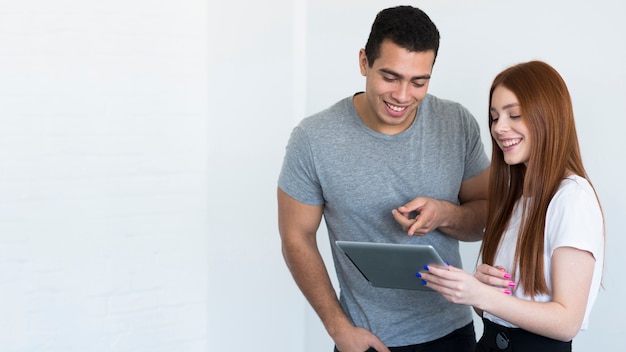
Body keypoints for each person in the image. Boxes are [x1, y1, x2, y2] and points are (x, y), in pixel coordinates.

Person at [277, 6, 490, 352]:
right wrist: (338, 328)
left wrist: (445, 214)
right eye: (390, 77)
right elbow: (295, 236)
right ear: (364, 62)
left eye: (418, 82)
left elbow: (485, 220)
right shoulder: (313, 139)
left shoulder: (457, 124)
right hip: (366, 340)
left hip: (453, 333)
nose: (403, 96)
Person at [418, 60, 605, 351]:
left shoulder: (572, 198)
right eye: (494, 117)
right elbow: (502, 311)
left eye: (514, 115)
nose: (499, 128)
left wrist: (481, 296)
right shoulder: (517, 198)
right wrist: (479, 290)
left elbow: (567, 321)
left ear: (549, 117)